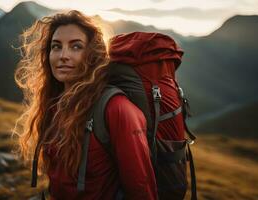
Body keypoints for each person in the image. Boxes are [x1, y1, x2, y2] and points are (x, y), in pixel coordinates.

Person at [13, 10, 158, 200]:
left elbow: (142, 190)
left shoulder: (115, 108)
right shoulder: (53, 105)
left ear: (92, 54)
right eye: (56, 46)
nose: (63, 55)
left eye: (76, 47)